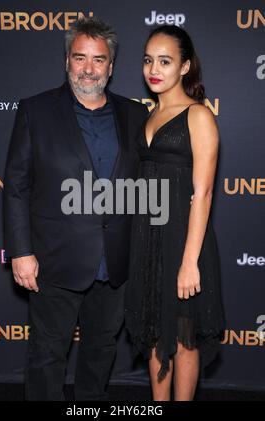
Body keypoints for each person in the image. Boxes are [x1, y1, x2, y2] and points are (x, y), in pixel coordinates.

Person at [3, 17, 148, 401]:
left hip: (116, 262)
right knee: (47, 356)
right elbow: (16, 186)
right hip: (54, 260)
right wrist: (20, 251)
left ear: (111, 66)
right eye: (80, 58)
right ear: (67, 60)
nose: (89, 68)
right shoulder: (35, 110)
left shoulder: (134, 114)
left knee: (100, 353)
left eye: (98, 60)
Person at [125, 25, 225, 401]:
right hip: (146, 238)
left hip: (183, 241)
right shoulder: (147, 117)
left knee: (184, 336)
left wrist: (189, 262)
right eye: (149, 60)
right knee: (153, 331)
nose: (154, 68)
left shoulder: (198, 116)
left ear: (185, 67)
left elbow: (203, 193)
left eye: (165, 61)